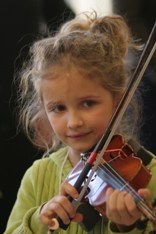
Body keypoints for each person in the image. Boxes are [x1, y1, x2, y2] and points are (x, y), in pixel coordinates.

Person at [4, 12, 156, 234]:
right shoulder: (37, 177)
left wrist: (127, 227)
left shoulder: (148, 173)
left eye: (87, 103)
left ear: (116, 101)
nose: (74, 122)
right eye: (58, 108)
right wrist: (39, 219)